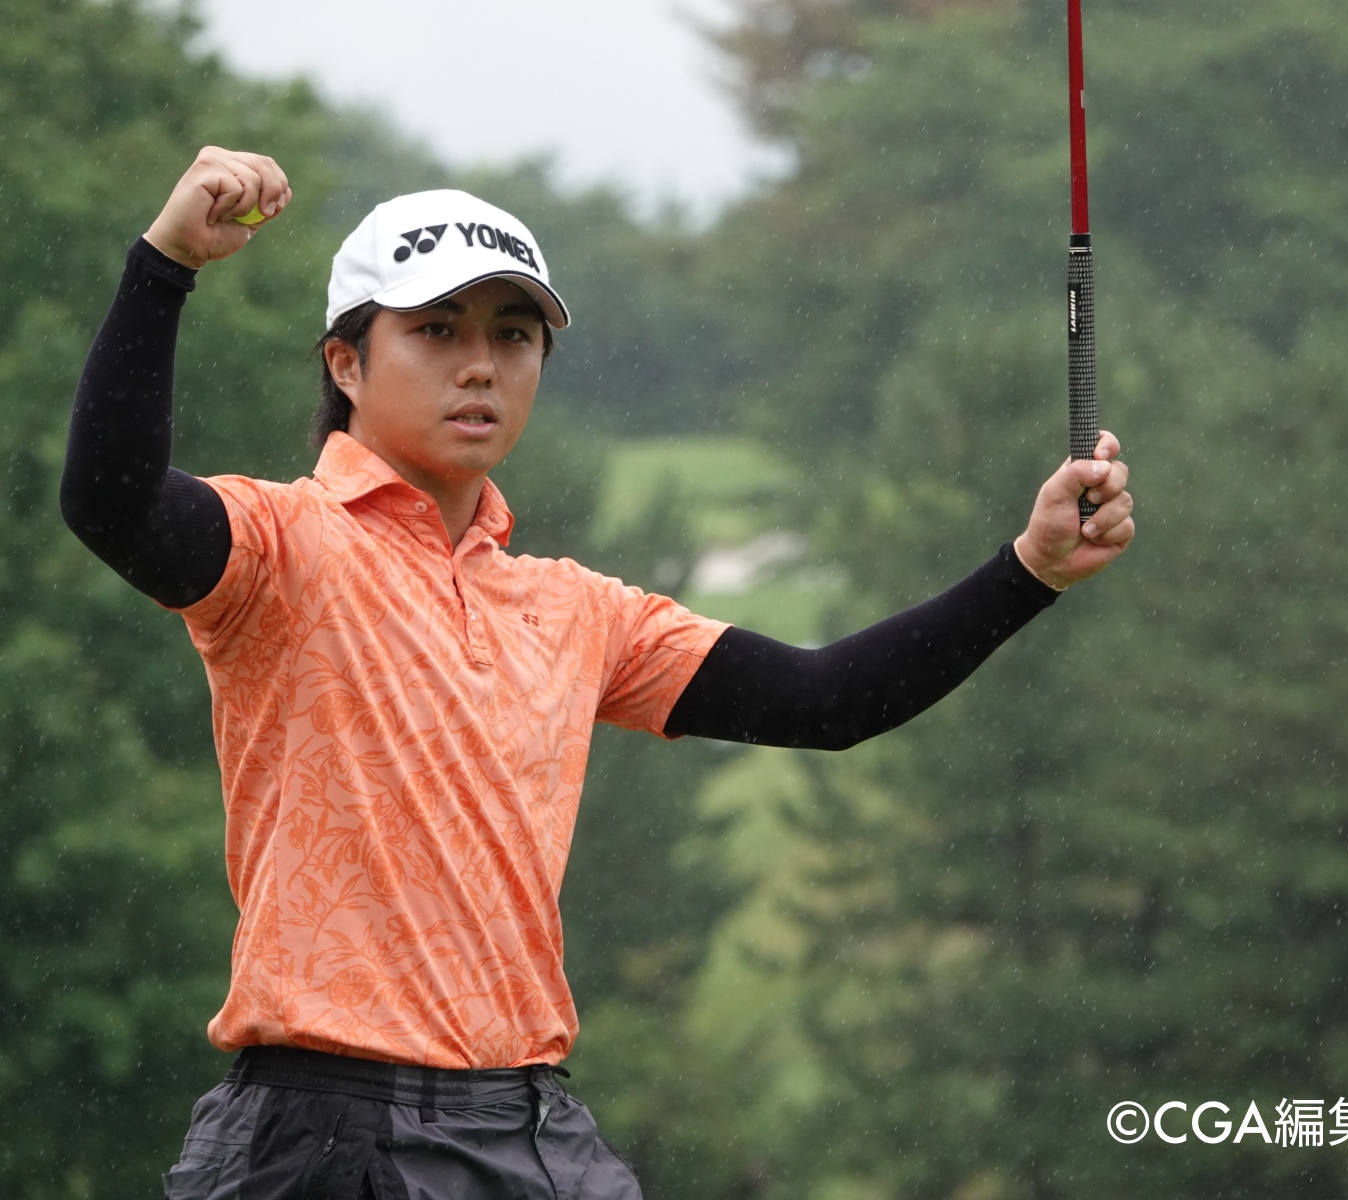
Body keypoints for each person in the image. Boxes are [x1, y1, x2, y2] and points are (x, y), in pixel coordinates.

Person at [60, 147, 1133, 1200]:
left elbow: (828, 701)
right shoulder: (280, 547)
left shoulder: (576, 610)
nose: (480, 365)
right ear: (347, 364)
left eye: (512, 334)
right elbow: (112, 502)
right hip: (324, 1134)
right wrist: (166, 266)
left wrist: (1027, 571)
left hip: (526, 1126)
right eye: (436, 330)